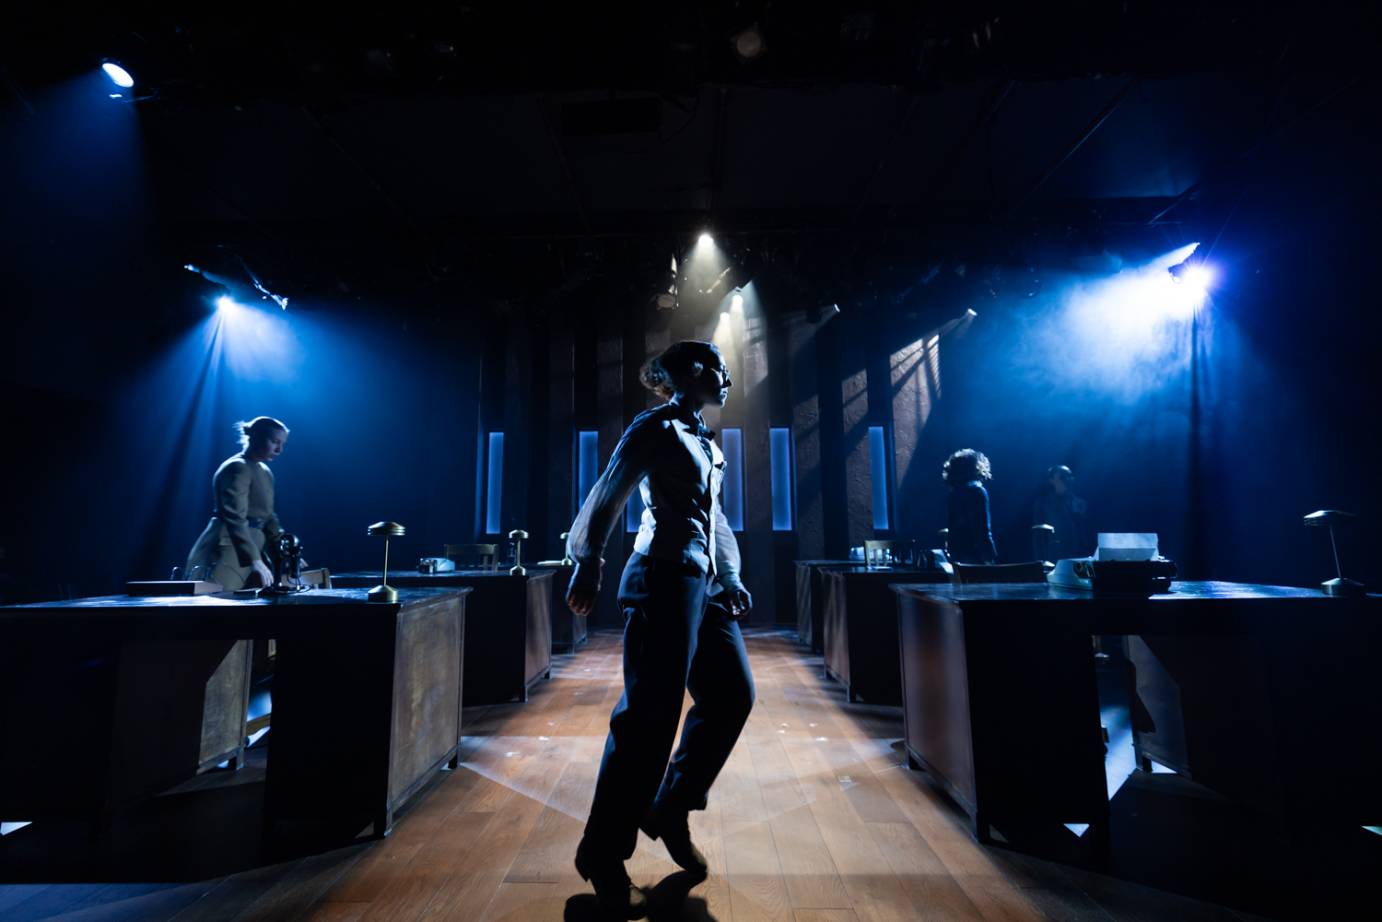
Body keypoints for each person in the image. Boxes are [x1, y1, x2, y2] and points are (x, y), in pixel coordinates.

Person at [566, 340, 754, 918]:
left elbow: (713, 515)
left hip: (705, 585)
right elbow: (610, 489)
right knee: (649, 719)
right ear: (694, 372)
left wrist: (732, 574)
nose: (727, 379)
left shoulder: (704, 438)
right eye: (720, 369)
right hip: (663, 578)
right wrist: (588, 559)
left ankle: (670, 807)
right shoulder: (659, 425)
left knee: (732, 696)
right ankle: (602, 852)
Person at [185, 417, 289, 590]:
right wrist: (253, 559)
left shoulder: (265, 471)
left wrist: (285, 551)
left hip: (254, 548)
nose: (279, 449)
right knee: (218, 602)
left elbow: (268, 516)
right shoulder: (236, 467)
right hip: (228, 546)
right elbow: (234, 517)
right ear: (255, 436)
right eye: (274, 441)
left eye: (282, 444)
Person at [943, 448, 998, 565]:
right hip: (976, 557)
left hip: (957, 556)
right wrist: (989, 557)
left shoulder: (953, 494)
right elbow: (982, 530)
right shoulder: (978, 492)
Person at [1032, 465, 1088, 560]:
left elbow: (1086, 532)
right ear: (1051, 480)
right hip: (1054, 557)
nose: (1068, 479)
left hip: (1079, 556)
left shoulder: (1080, 503)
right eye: (1062, 477)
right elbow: (1038, 535)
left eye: (1070, 476)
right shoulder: (1043, 504)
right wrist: (1040, 560)